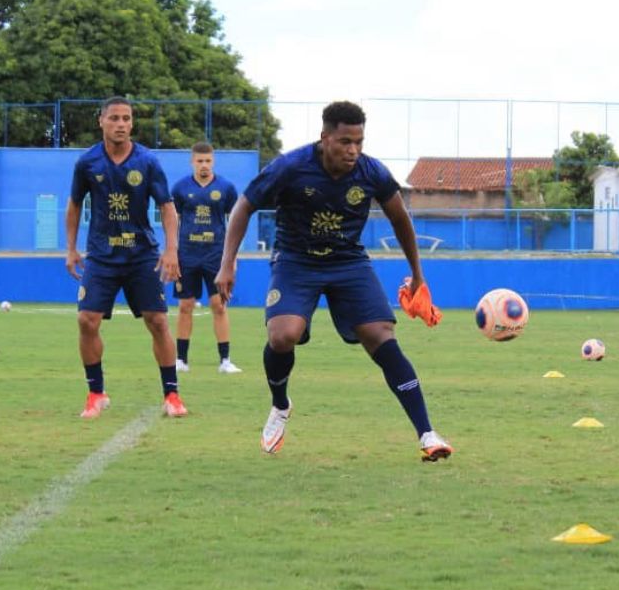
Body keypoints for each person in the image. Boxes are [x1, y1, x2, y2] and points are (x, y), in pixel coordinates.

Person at [214, 100, 453, 461]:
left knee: (381, 336)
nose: (353, 150)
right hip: (295, 261)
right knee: (283, 336)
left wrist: (418, 275)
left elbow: (400, 218)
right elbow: (244, 205)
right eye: (345, 141)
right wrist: (227, 263)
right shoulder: (291, 167)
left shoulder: (371, 172)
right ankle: (280, 405)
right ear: (325, 138)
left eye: (358, 141)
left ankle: (427, 434)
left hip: (348, 262)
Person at [65, 96, 188, 419]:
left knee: (158, 321)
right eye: (115, 118)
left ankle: (172, 395)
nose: (121, 124)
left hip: (141, 255)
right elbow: (75, 204)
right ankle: (96, 393)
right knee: (86, 320)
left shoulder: (147, 162)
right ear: (101, 121)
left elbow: (166, 207)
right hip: (102, 256)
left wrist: (171, 249)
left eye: (127, 118)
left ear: (132, 123)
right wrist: (71, 248)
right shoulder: (87, 163)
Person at [170, 141, 242, 374]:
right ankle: (181, 360)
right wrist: (171, 251)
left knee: (218, 306)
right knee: (185, 306)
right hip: (187, 255)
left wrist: (232, 257)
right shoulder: (180, 188)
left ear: (214, 161)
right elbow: (173, 221)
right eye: (199, 161)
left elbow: (235, 223)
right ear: (192, 161)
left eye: (208, 161)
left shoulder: (226, 188)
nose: (204, 165)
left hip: (216, 256)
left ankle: (225, 361)